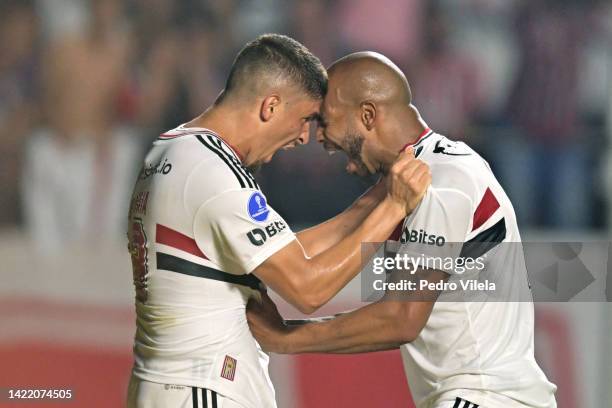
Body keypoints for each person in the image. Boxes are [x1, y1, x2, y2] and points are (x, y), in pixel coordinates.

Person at [126, 35, 431, 408]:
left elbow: (289, 252)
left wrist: (376, 197)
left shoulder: (174, 150)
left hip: (177, 386)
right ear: (271, 106)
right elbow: (307, 289)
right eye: (304, 119)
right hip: (203, 390)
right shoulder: (215, 173)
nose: (305, 136)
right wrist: (395, 207)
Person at [246, 52, 558, 408]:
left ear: (367, 115)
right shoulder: (417, 170)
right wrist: (231, 262)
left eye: (326, 121)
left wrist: (287, 338)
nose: (321, 138)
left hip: (487, 397)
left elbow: (401, 317)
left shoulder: (442, 182)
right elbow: (331, 235)